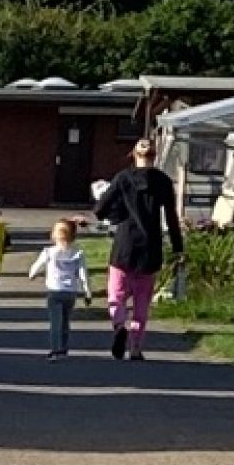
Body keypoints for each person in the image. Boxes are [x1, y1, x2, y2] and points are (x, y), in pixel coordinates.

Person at [94, 137, 184, 362]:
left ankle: (118, 325)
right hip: (151, 248)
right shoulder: (163, 182)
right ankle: (135, 347)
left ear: (133, 154)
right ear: (155, 155)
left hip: (124, 245)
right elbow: (172, 218)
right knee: (142, 301)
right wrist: (177, 247)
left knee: (117, 296)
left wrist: (120, 216)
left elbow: (99, 209)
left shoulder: (123, 178)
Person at [30, 217, 87, 357]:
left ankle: (55, 348)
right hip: (70, 292)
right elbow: (83, 274)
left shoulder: (49, 252)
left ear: (54, 235)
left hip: (54, 292)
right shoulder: (78, 254)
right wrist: (88, 292)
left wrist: (32, 274)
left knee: (56, 321)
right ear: (73, 236)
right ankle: (64, 346)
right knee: (66, 321)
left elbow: (36, 266)